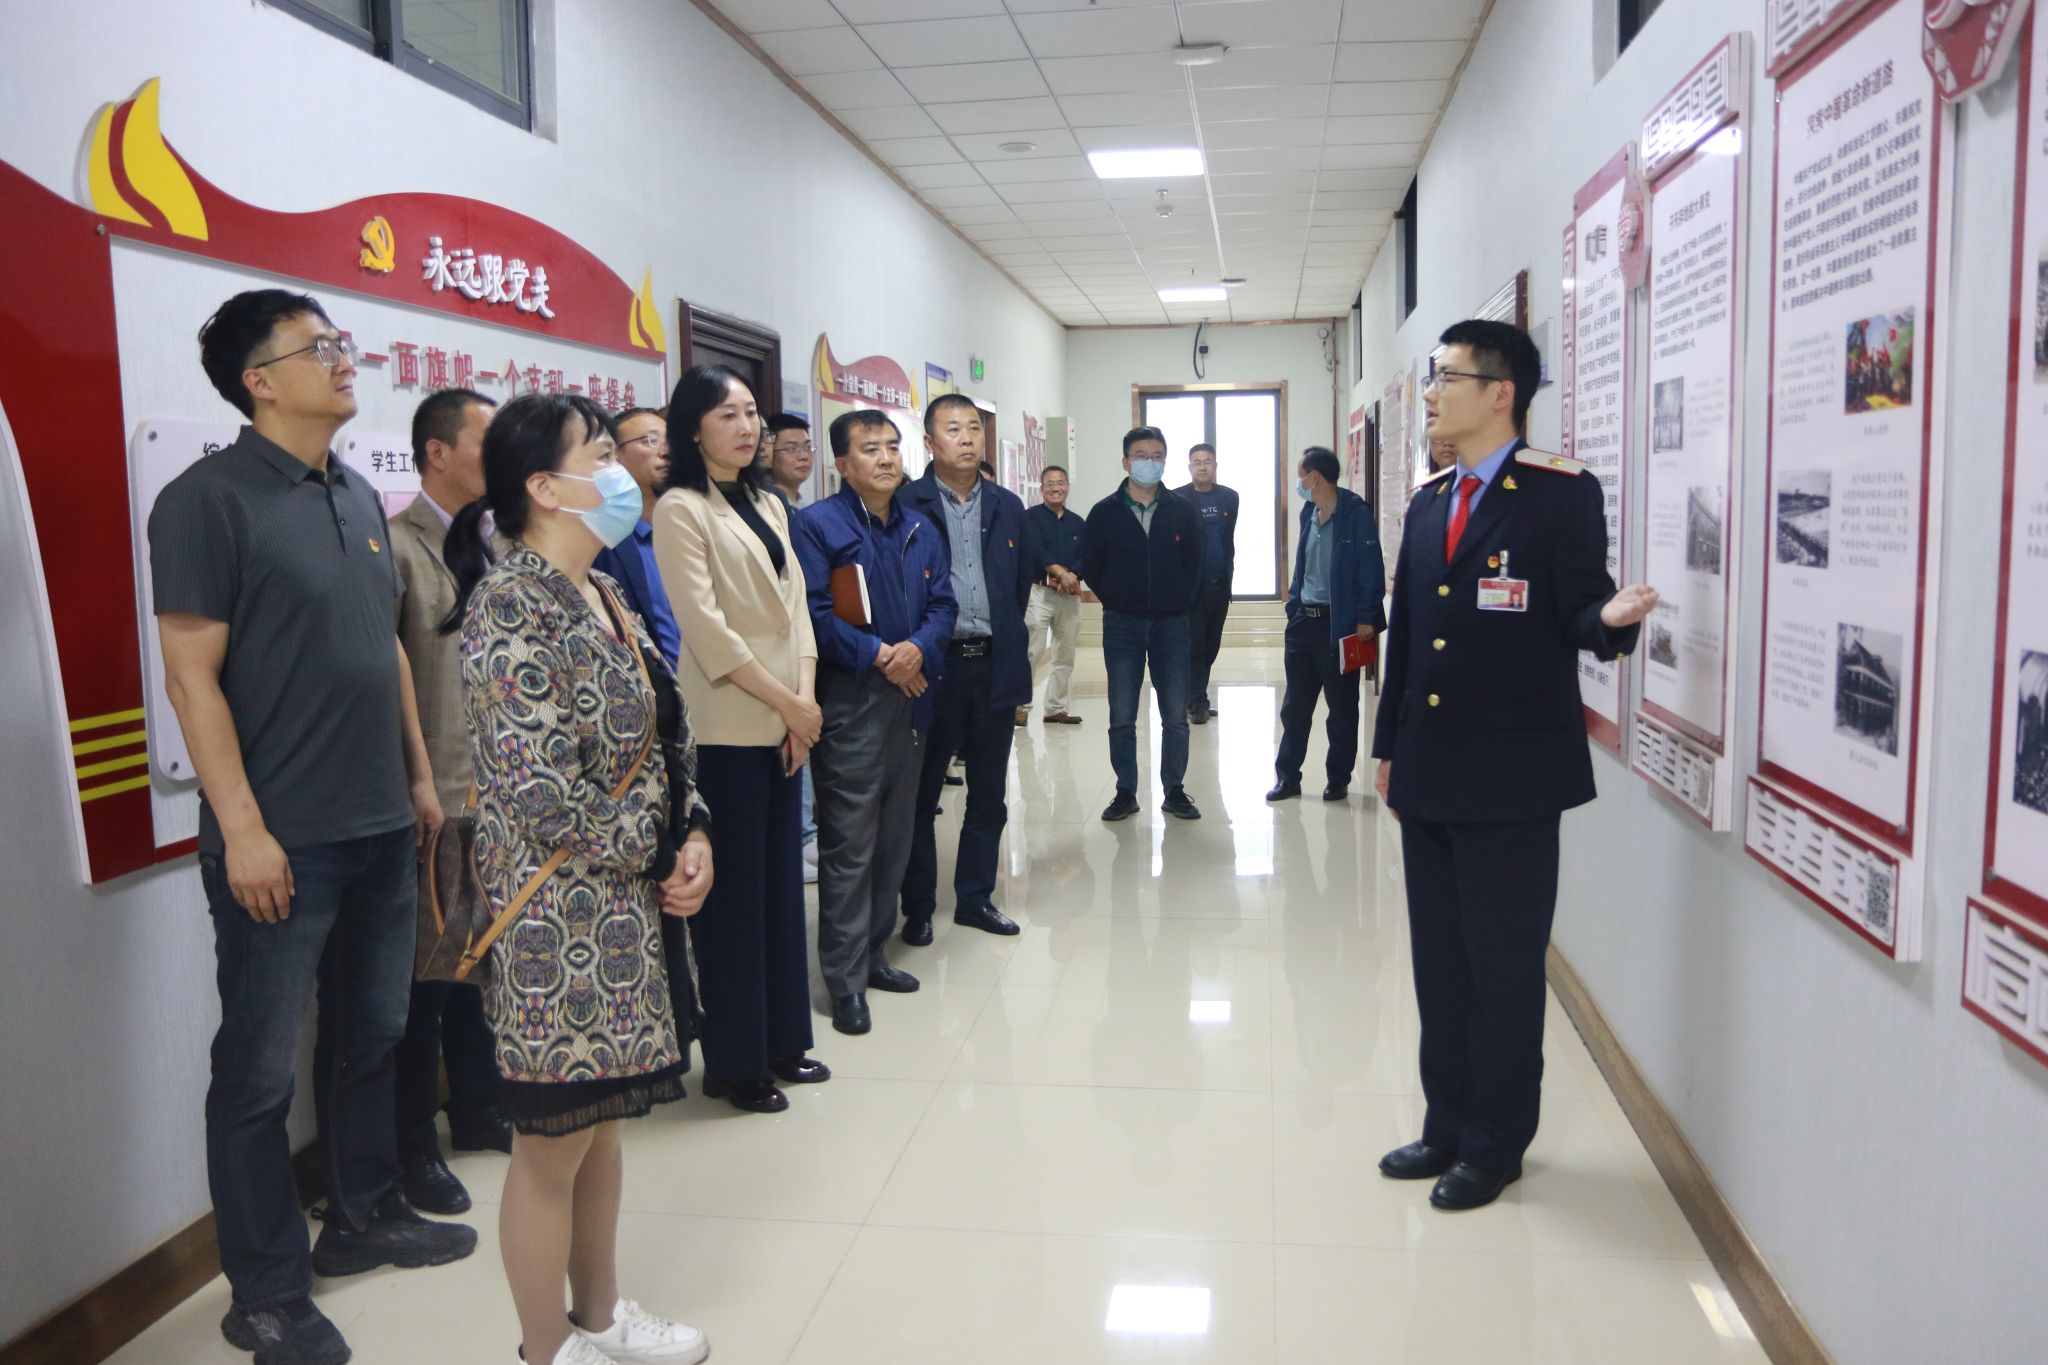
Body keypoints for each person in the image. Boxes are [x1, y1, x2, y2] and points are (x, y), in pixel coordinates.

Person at [150, 290, 473, 1365]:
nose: (344, 358)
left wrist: (418, 778)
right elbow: (191, 679)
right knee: (257, 1074)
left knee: (371, 1033)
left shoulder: (355, 492)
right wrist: (242, 830)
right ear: (259, 380)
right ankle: (266, 1292)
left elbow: (384, 648)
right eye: (318, 346)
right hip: (282, 840)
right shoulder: (207, 501)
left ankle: (361, 1212)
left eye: (340, 341)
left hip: (382, 824)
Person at [444, 391, 714, 1365]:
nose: (620, 470)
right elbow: (540, 786)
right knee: (550, 1143)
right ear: (544, 487)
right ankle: (543, 1346)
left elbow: (666, 731)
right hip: (554, 922)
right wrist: (657, 850)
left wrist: (693, 829)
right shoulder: (509, 603)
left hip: (625, 910)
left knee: (601, 1128)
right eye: (598, 454)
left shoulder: (603, 589)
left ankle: (599, 1316)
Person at [1372, 320, 1658, 1212]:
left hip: (1512, 777)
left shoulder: (1558, 494)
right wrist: (1386, 749)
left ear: (1500, 393)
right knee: (1440, 963)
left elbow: (1577, 611)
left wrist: (1610, 623)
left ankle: (1496, 1145)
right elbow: (1410, 637)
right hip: (1429, 769)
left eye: (1445, 378)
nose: (1429, 393)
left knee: (1502, 965)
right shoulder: (1430, 501)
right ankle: (1446, 1124)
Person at [651, 365, 827, 1115]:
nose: (747, 426)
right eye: (728, 414)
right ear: (693, 428)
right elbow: (708, 632)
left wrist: (804, 704)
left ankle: (783, 1041)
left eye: (752, 412)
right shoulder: (680, 509)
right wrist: (789, 703)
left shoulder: (768, 502)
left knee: (780, 892)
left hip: (786, 723)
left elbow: (798, 611)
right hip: (728, 728)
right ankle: (734, 1062)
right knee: (734, 904)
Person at [793, 410, 956, 1036]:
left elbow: (944, 604)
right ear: (842, 463)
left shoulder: (919, 526)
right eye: (870, 449)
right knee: (850, 845)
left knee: (894, 839)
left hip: (912, 699)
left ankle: (875, 955)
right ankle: (843, 979)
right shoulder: (818, 526)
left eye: (892, 447)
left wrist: (918, 649)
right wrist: (883, 656)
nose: (886, 458)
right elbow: (812, 615)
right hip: (853, 700)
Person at [390, 386, 511, 1220]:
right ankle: (413, 1149)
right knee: (422, 987)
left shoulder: (494, 544)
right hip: (432, 801)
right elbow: (386, 682)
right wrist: (417, 784)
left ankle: (479, 1105)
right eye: (484, 441)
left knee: (480, 967)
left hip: (497, 796)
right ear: (438, 453)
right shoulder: (398, 547)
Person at [898, 394, 1033, 943]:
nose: (967, 438)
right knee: (921, 795)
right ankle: (918, 906)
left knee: (988, 793)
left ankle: (975, 898)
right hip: (931, 670)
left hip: (992, 666)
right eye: (953, 429)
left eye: (974, 427)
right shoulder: (905, 504)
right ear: (930, 443)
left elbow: (1018, 587)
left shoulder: (1007, 505)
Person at [1082, 427, 1204, 822]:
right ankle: (1125, 791)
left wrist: (1180, 599)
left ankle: (1175, 791)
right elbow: (1091, 566)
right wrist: (1117, 597)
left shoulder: (1182, 509)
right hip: (1123, 623)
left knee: (1175, 716)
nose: (1149, 463)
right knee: (1122, 716)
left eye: (1156, 456)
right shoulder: (1104, 512)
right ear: (1125, 462)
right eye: (1140, 456)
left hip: (1172, 624)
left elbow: (1195, 563)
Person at [1269, 445, 1386, 804]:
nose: (1299, 484)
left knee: (1342, 709)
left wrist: (1365, 617)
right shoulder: (1309, 511)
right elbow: (1302, 564)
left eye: (1301, 476)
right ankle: (1288, 777)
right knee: (1295, 707)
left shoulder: (1355, 514)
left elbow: (1371, 567)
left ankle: (1338, 778)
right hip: (1304, 623)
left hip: (1340, 626)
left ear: (1314, 477)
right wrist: (1294, 606)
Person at [762, 413, 821, 880]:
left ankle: (805, 832)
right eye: (790, 447)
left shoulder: (795, 507)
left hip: (804, 645)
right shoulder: (765, 505)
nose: (802, 456)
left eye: (807, 447)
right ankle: (799, 836)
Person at [592, 406, 683, 670]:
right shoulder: (604, 541)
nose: (665, 451)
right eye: (650, 441)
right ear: (614, 457)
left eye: (669, 440)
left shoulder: (688, 528)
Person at [1172, 443, 1239, 724]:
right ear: (1189, 467)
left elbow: (1227, 539)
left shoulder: (1229, 498)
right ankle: (1197, 701)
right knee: (1195, 646)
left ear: (1215, 466)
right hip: (1191, 588)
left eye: (1207, 461)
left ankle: (1195, 696)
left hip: (1219, 585)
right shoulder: (1177, 498)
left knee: (1211, 646)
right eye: (1197, 462)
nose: (1202, 467)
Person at [1020, 463, 1086, 726]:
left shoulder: (1078, 523)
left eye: (1060, 483)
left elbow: (1085, 556)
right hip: (1038, 593)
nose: (1055, 488)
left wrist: (1072, 576)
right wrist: (1060, 573)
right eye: (1050, 483)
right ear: (1041, 488)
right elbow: (1036, 550)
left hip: (1068, 596)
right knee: (1031, 650)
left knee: (1065, 654)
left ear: (1067, 487)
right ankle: (1021, 706)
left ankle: (1055, 708)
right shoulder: (1029, 518)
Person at [765, 412, 815, 512]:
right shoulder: (764, 508)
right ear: (769, 454)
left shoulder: (808, 509)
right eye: (791, 449)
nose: (803, 456)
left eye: (807, 447)